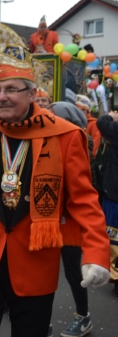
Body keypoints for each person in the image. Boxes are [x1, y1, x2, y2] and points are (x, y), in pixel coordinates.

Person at [0, 21, 110, 337]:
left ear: (31, 94)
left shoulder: (65, 136)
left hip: (34, 267)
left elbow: (84, 201)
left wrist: (96, 253)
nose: (1, 97)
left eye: (11, 89)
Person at [50, 101, 96, 337]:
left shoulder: (79, 142)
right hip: (49, 219)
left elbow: (83, 189)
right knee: (44, 271)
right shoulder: (47, 140)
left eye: (52, 114)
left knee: (72, 271)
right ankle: (39, 318)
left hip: (69, 221)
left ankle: (83, 316)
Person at [96, 110, 118, 297]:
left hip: (115, 196)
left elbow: (102, 123)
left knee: (113, 238)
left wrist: (111, 116)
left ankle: (115, 275)